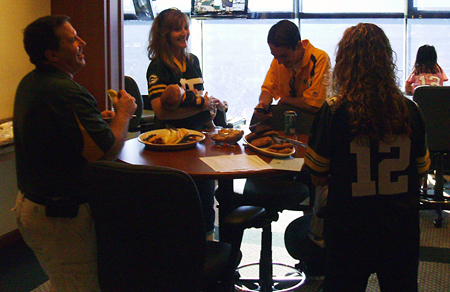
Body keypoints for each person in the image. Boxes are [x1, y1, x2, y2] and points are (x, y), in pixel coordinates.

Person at [12, 15, 136, 291]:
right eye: (72, 40)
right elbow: (106, 152)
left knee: (62, 281)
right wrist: (124, 114)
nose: (83, 43)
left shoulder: (31, 83)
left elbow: (65, 136)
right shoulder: (68, 92)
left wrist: (98, 120)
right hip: (60, 218)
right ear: (52, 54)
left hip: (30, 207)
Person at [305, 23, 431, 291]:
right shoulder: (411, 110)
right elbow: (421, 171)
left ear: (344, 63)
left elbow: (317, 176)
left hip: (350, 230)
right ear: (387, 59)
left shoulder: (334, 111)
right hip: (400, 229)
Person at [146, 8, 226, 239]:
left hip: (201, 140)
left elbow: (197, 97)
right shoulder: (158, 66)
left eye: (185, 27)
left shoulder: (193, 61)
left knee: (206, 198)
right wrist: (201, 105)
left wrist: (211, 105)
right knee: (181, 202)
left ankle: (210, 247)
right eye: (177, 29)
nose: (184, 33)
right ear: (164, 34)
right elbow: (162, 112)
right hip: (174, 146)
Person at [253, 19, 331, 134]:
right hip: (288, 123)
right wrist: (263, 105)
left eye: (284, 56)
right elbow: (268, 90)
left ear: (299, 46)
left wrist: (285, 100)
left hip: (315, 126)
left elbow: (314, 105)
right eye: (275, 56)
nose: (279, 62)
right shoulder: (278, 61)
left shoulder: (319, 59)